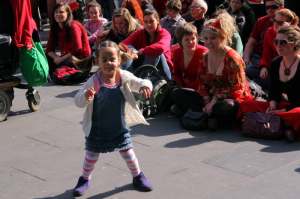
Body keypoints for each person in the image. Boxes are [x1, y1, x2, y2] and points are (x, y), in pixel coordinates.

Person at [73, 40, 153, 197]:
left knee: (129, 154)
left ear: (119, 60)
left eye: (112, 59)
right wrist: (86, 96)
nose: (108, 63)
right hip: (97, 129)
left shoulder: (123, 76)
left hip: (119, 127)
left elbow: (141, 81)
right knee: (90, 157)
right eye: (104, 60)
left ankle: (138, 176)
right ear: (97, 62)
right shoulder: (94, 81)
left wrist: (146, 86)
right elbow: (77, 101)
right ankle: (84, 179)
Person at [238, 26, 300, 141]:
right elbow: (273, 89)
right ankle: (285, 126)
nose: (278, 45)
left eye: (283, 42)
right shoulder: (276, 62)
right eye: (276, 42)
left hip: (296, 107)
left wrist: (281, 111)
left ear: (294, 44)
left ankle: (274, 123)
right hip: (283, 106)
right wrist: (272, 105)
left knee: (298, 114)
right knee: (246, 105)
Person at [197, 18, 253, 129]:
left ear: (223, 38)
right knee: (180, 93)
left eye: (213, 38)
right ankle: (210, 115)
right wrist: (206, 99)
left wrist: (214, 101)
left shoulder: (232, 58)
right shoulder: (205, 57)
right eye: (206, 38)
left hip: (230, 97)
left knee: (227, 106)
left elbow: (236, 88)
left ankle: (211, 117)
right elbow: (201, 82)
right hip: (211, 96)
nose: (208, 42)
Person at [120, 9, 172, 79]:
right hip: (144, 65)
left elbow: (161, 47)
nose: (148, 24)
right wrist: (132, 52)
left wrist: (143, 51)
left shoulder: (164, 33)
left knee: (155, 52)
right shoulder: (140, 32)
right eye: (146, 22)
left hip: (163, 70)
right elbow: (122, 44)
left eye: (151, 21)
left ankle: (142, 79)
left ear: (158, 21)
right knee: (129, 48)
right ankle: (127, 77)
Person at [46, 3, 92, 84]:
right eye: (56, 12)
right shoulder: (55, 27)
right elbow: (49, 49)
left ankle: (81, 74)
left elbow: (77, 49)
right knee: (46, 56)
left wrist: (60, 59)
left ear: (68, 13)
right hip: (66, 58)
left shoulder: (74, 26)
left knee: (59, 78)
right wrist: (56, 57)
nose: (58, 14)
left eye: (61, 12)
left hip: (80, 60)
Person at [243, 0, 284, 89]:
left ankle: (254, 84)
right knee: (247, 69)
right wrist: (246, 59)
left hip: (279, 59)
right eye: (267, 7)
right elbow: (251, 42)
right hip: (259, 57)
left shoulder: (289, 21)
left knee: (271, 74)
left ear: (282, 7)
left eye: (273, 7)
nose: (270, 10)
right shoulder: (261, 21)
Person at [170, 23, 208, 115]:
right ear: (180, 41)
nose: (191, 42)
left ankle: (192, 110)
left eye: (193, 39)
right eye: (187, 40)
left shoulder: (204, 53)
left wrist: (188, 88)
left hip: (202, 89)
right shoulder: (177, 52)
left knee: (178, 99)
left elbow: (205, 78)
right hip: (185, 87)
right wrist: (181, 86)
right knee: (174, 92)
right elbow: (177, 73)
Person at [258, 8, 298, 85]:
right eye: (275, 21)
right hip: (276, 65)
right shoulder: (269, 32)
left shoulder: (295, 35)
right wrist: (264, 67)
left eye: (280, 23)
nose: (276, 24)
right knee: (252, 71)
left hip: (292, 66)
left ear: (290, 23)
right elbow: (266, 53)